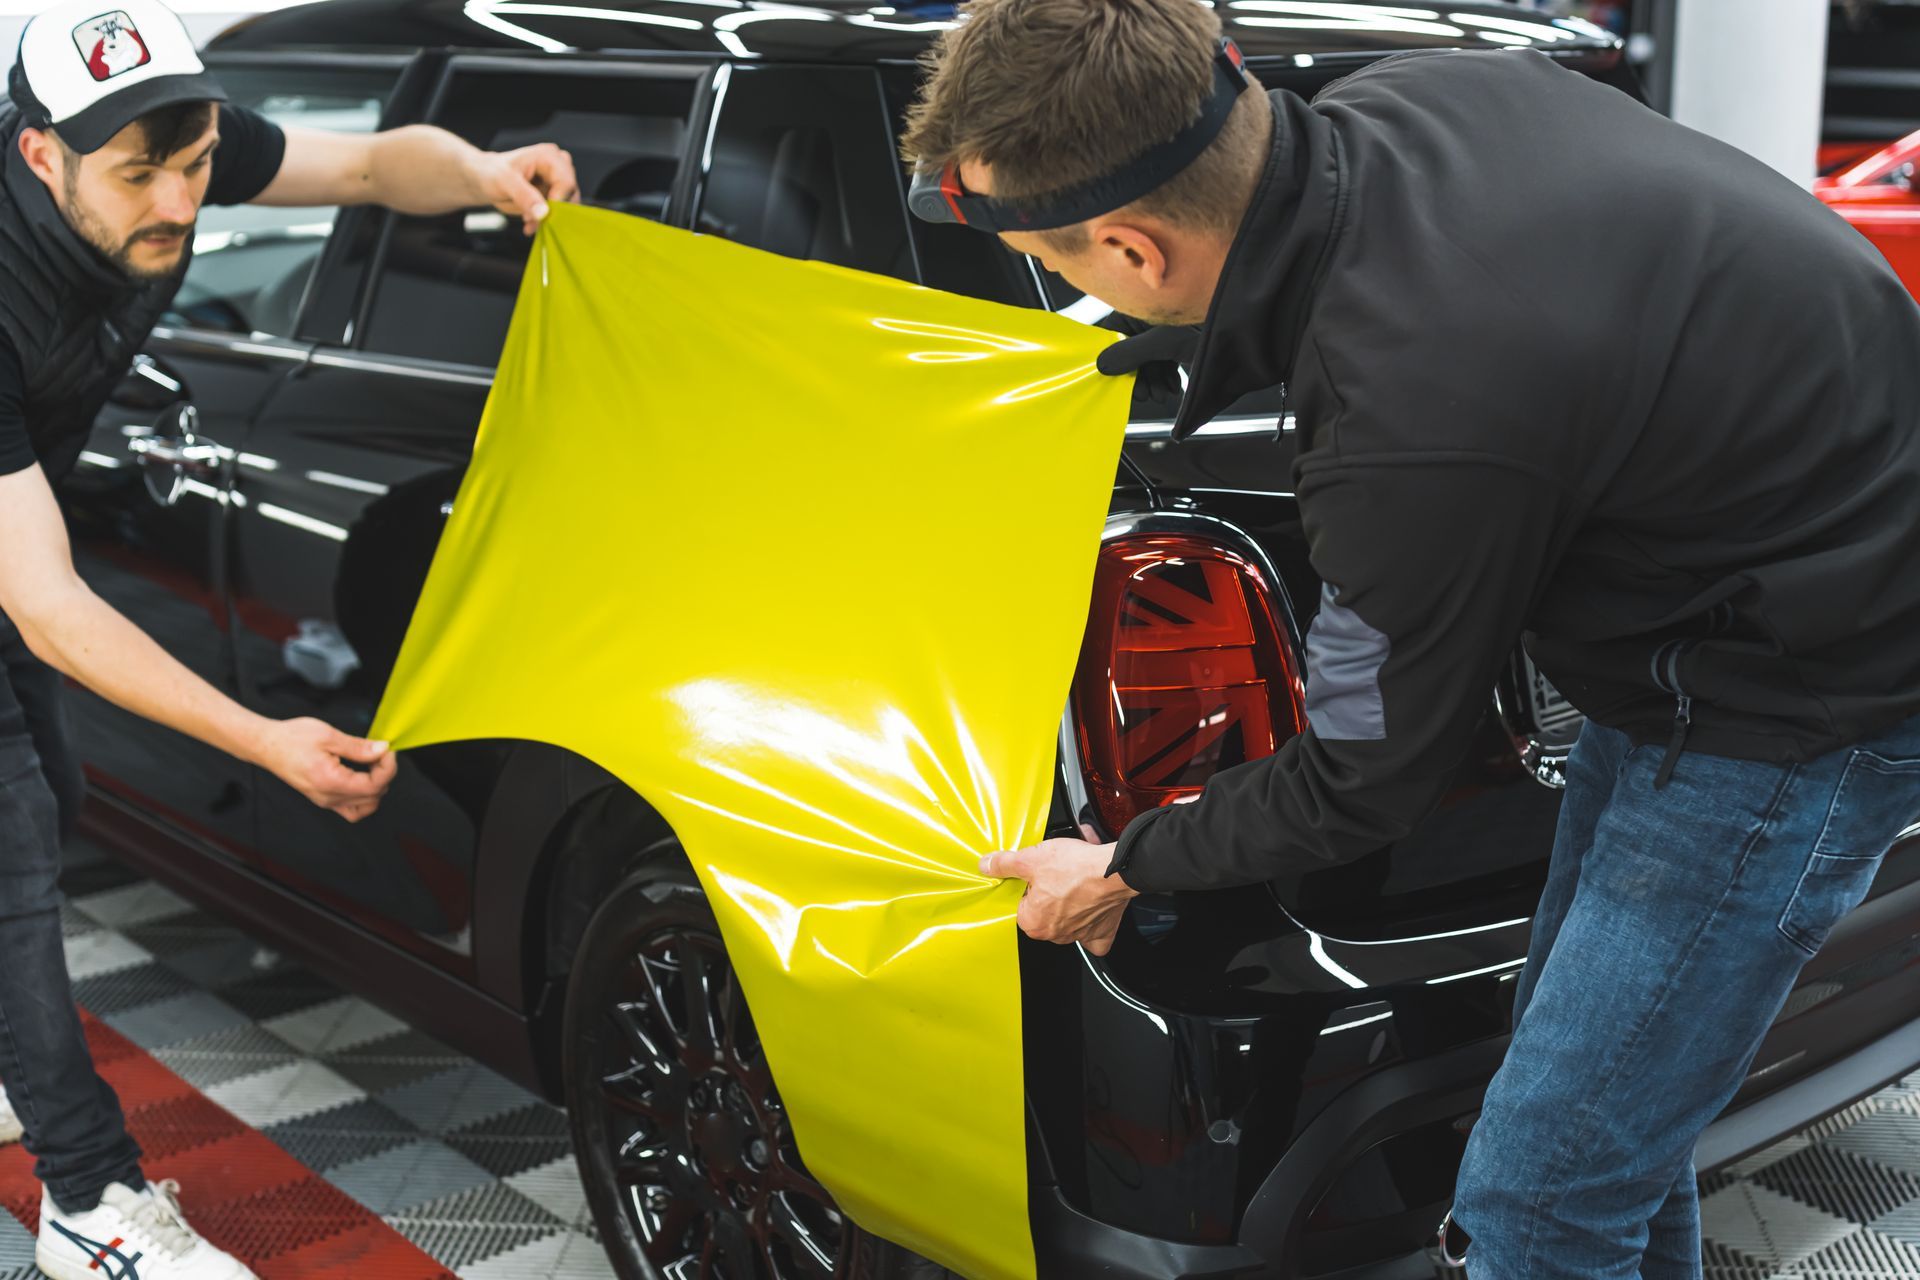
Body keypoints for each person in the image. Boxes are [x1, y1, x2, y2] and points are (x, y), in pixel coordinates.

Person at [901, 0, 1920, 1276]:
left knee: (1538, 1202)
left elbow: (1364, 777)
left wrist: (1125, 861)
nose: (1066, 292)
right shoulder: (1418, 97)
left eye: (1062, 266)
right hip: (1720, 618)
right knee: (1602, 1139)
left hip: (1797, 704)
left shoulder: (1411, 408)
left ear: (1131, 247)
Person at [0, 1, 577, 1274]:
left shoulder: (184, 144)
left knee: (64, 780)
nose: (179, 202)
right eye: (138, 176)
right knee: (16, 862)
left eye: (197, 165)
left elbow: (370, 164)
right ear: (41, 159)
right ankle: (89, 1203)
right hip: (10, 553)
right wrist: (262, 737)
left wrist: (481, 173)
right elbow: (40, 601)